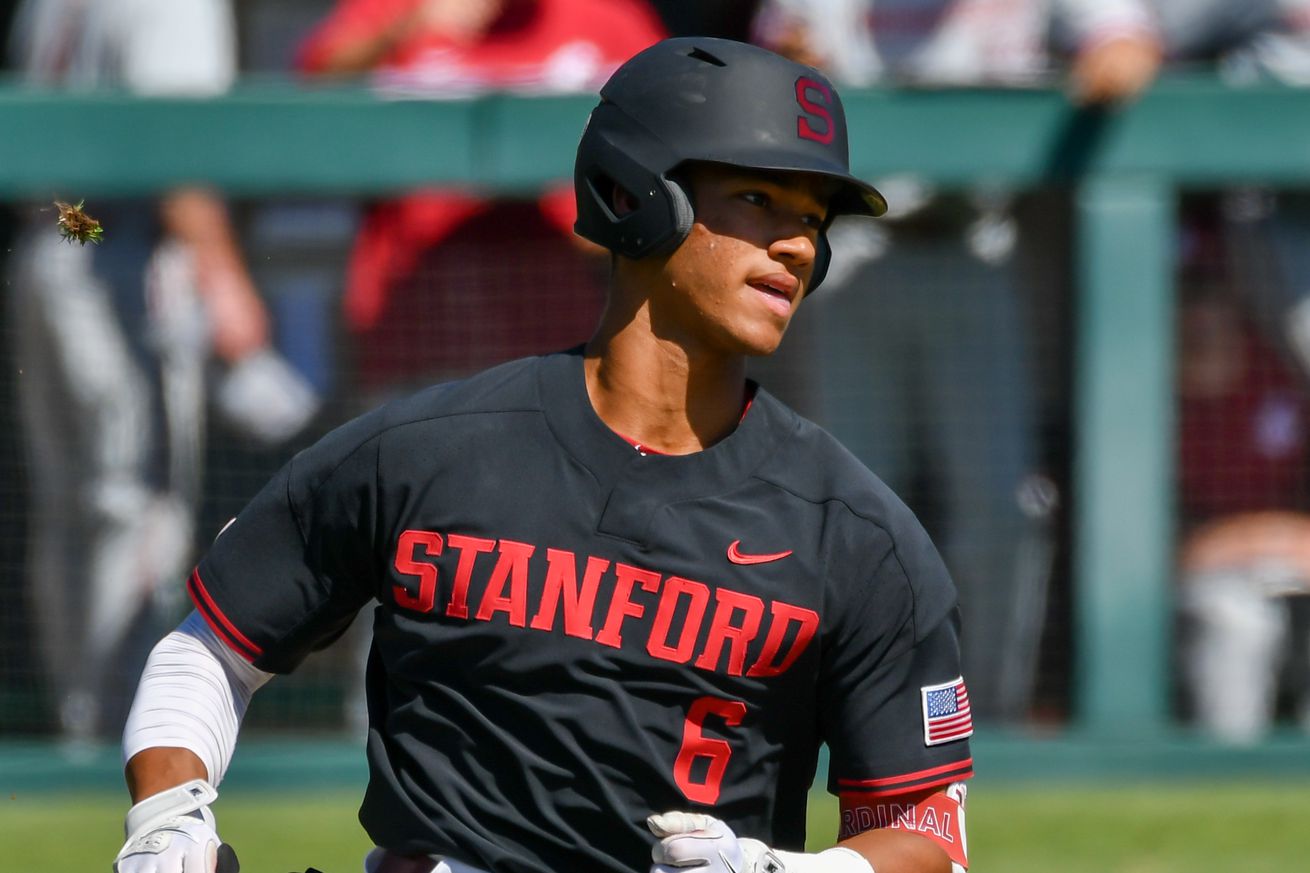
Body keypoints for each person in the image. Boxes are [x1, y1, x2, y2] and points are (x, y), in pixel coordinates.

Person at [113, 38, 973, 873]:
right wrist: (166, 819)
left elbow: (925, 829)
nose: (796, 245)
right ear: (636, 193)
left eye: (812, 220)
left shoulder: (858, 535)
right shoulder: (425, 453)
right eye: (757, 199)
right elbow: (210, 648)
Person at [749, 0, 1161, 723]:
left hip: (977, 244)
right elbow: (771, 64)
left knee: (1000, 510)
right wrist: (795, 60)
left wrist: (1094, 66)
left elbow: (1126, 48)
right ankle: (847, 720)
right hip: (854, 250)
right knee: (846, 508)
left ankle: (984, 722)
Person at [5, 0, 315, 744]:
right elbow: (176, 146)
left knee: (74, 514)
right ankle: (118, 731)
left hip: (53, 242)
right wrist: (223, 278)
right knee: (137, 509)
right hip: (118, 254)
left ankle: (78, 718)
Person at [295, 0, 667, 402]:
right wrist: (401, 30)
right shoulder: (400, 8)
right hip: (419, 315)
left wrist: (616, 222)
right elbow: (312, 90)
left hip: (556, 316)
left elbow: (678, 122)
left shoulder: (605, 15)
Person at [1174, 238, 1310, 744]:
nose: (1201, 316)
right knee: (1237, 620)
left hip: (1292, 561)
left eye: (1212, 298)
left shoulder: (1281, 375)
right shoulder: (1151, 398)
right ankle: (1228, 773)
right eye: (1189, 299)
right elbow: (1170, 548)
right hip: (1204, 579)